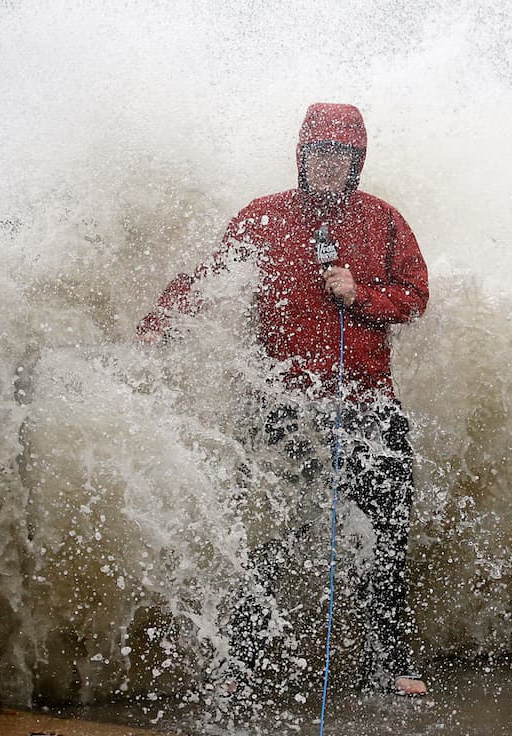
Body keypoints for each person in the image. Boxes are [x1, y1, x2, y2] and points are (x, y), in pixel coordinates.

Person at [137, 103, 429, 697]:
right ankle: (247, 657)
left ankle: (390, 663)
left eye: (342, 155)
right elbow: (214, 278)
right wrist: (156, 327)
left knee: (388, 534)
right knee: (273, 530)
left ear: (358, 161)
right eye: (319, 152)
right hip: (282, 405)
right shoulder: (263, 217)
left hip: (367, 403)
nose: (329, 164)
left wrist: (362, 292)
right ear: (302, 156)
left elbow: (415, 297)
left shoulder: (386, 221)